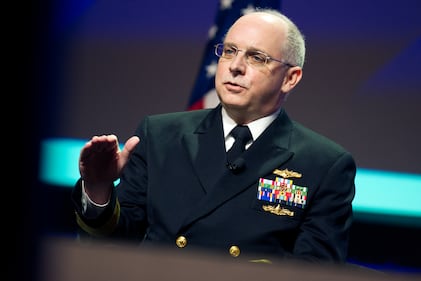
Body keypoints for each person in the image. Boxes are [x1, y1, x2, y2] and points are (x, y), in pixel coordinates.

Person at [72, 8, 356, 264]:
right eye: (230, 51)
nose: (235, 66)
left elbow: (315, 271)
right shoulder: (159, 135)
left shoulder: (324, 164)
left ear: (290, 78)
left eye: (256, 57)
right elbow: (113, 246)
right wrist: (98, 189)